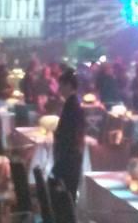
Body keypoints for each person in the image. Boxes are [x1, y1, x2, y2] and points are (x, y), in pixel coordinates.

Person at [53, 69, 85, 199]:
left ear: (69, 85)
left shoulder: (72, 105)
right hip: (71, 153)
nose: (59, 89)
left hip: (69, 155)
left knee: (67, 191)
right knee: (68, 190)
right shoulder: (72, 103)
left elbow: (70, 132)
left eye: (61, 86)